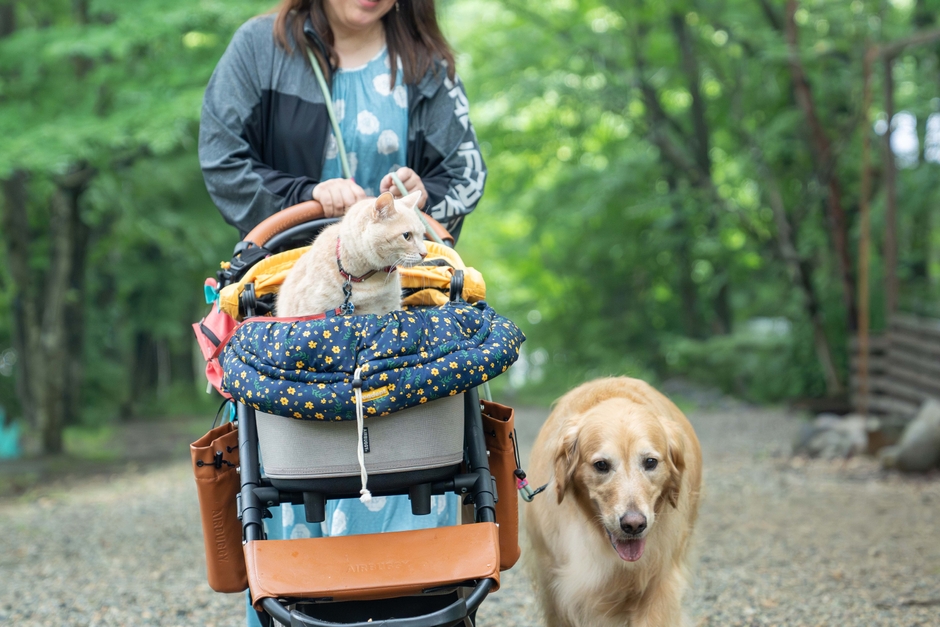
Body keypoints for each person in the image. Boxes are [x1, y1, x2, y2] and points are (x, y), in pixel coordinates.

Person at [197, 1, 486, 624]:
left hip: (397, 290)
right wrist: (302, 196)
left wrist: (423, 194)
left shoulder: (425, 60)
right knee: (296, 465)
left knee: (409, 450)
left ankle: (423, 590)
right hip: (296, 289)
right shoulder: (260, 48)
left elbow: (466, 167)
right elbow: (223, 158)